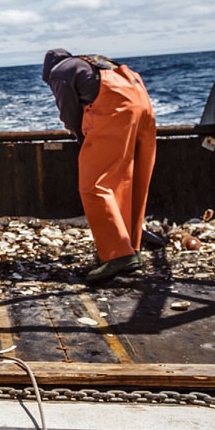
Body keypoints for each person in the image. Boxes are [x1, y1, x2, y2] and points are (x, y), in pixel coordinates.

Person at [42, 49, 156, 285]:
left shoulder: (58, 71)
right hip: (141, 103)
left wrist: (83, 139)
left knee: (93, 186)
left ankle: (118, 256)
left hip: (115, 110)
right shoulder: (91, 61)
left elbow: (69, 112)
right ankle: (131, 247)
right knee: (129, 181)